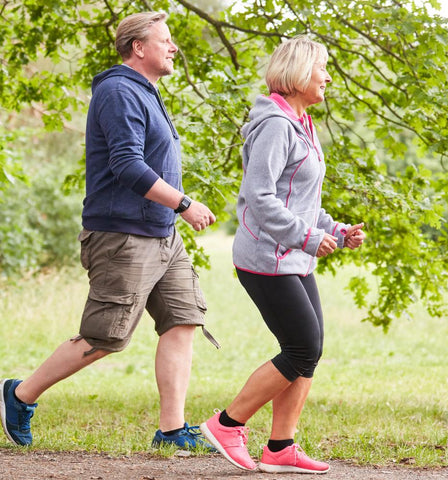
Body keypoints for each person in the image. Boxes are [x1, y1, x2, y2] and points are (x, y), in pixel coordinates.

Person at [0, 11, 217, 450]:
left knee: (182, 320)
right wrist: (185, 203)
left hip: (161, 234)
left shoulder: (146, 92)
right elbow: (127, 164)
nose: (174, 47)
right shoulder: (119, 90)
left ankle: (172, 430)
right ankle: (19, 395)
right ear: (139, 47)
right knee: (106, 336)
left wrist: (173, 210)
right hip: (123, 235)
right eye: (166, 40)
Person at [200, 36, 365, 474]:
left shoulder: (301, 122)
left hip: (292, 256)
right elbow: (259, 197)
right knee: (301, 347)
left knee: (309, 349)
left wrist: (335, 230)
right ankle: (227, 424)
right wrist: (307, 237)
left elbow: (302, 199)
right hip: (265, 257)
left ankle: (280, 446)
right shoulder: (275, 124)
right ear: (297, 74)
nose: (327, 76)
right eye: (321, 69)